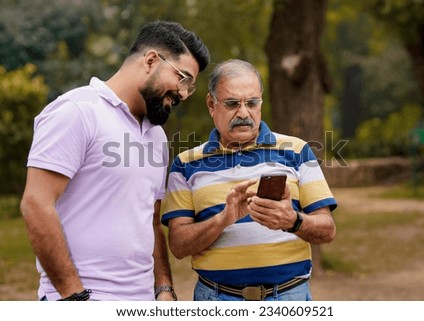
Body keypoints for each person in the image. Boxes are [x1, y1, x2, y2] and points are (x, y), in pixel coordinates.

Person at [20, 21, 210, 301]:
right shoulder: (77, 111)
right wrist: (74, 298)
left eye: (189, 87)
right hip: (84, 299)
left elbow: (152, 220)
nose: (183, 93)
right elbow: (36, 203)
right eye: (182, 79)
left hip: (142, 301)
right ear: (151, 60)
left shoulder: (157, 136)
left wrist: (164, 287)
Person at [161, 59, 337, 301]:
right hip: (217, 299)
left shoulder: (298, 151)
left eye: (252, 103)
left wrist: (292, 220)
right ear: (212, 104)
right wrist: (224, 218)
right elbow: (179, 246)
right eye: (232, 103)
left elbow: (327, 230)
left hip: (288, 297)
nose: (243, 113)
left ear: (260, 104)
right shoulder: (185, 164)